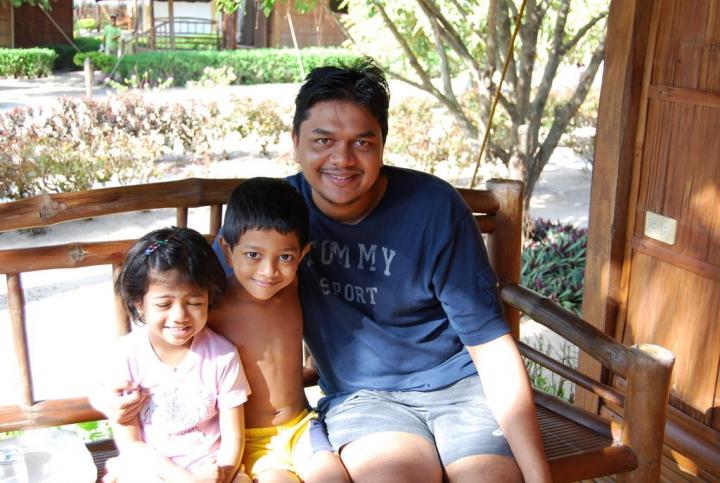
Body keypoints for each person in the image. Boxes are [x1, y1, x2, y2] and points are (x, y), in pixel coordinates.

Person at [99, 59, 552, 482]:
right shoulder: (275, 222)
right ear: (295, 142)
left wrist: (539, 477)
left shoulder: (434, 208)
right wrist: (114, 402)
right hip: (365, 400)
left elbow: (491, 347)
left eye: (361, 142)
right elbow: (179, 302)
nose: (342, 159)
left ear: (381, 146)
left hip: (461, 391)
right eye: (322, 140)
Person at [210, 177, 349, 482]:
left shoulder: (293, 286)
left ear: (302, 254)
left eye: (285, 257)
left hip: (301, 426)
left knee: (334, 478)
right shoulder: (212, 309)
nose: (268, 271)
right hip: (248, 441)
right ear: (227, 250)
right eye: (252, 255)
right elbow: (161, 345)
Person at [102, 227, 252, 483]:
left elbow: (233, 439)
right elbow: (131, 443)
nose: (180, 316)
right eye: (163, 304)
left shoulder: (222, 356)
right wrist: (183, 479)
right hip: (152, 470)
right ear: (139, 303)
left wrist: (221, 475)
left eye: (195, 303)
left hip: (211, 469)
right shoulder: (127, 356)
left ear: (209, 299)